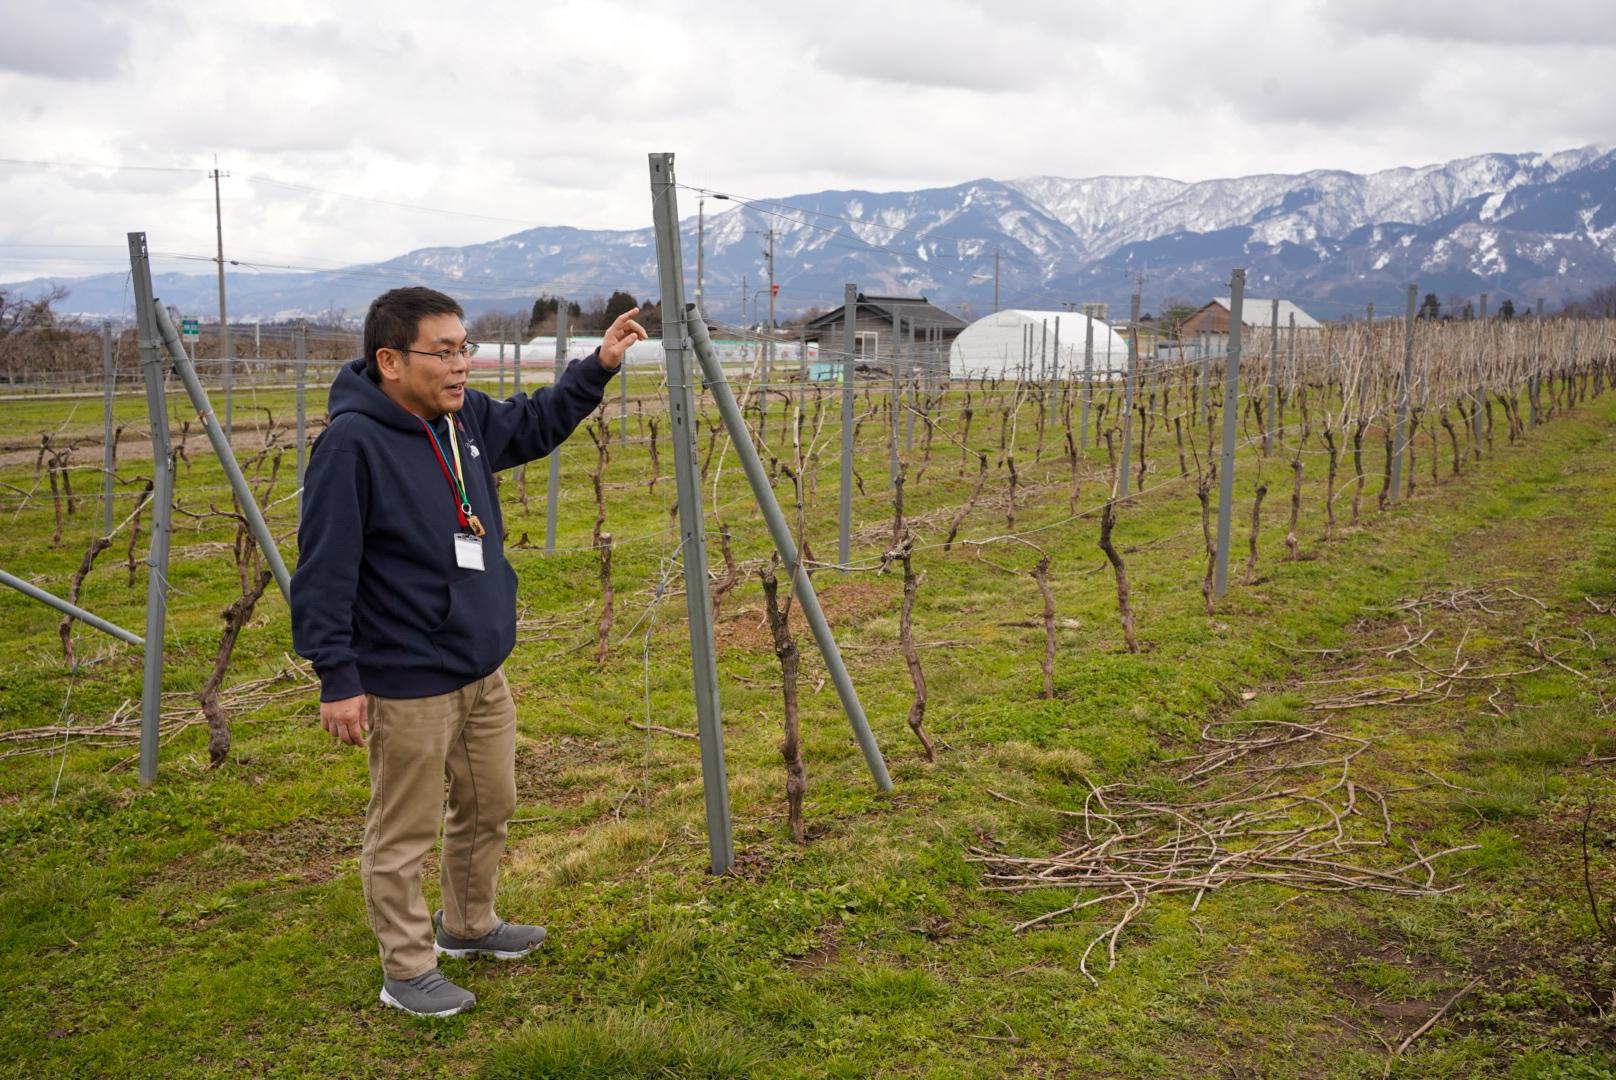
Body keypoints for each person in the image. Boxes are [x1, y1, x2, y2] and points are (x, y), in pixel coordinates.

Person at [290, 286, 646, 1017]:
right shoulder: (351, 446)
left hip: (480, 665)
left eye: (465, 348)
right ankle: (408, 969)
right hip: (405, 676)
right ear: (390, 360)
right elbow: (324, 568)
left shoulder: (464, 419)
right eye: (445, 351)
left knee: (490, 804)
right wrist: (338, 676)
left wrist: (598, 366)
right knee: (404, 829)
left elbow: (537, 423)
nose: (462, 365)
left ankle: (468, 924)